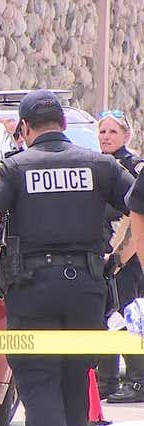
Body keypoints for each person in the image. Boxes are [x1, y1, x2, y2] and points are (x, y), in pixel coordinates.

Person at [0, 90, 135, 426]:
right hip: (87, 289)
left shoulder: (14, 167)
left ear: (25, 128)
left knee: (39, 381)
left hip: (32, 290)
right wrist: (121, 257)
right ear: (64, 125)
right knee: (76, 383)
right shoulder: (100, 165)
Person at [96, 110, 144, 403]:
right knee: (106, 317)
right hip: (103, 256)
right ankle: (108, 381)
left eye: (113, 132)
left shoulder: (134, 167)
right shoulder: (99, 165)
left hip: (127, 258)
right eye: (102, 132)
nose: (106, 137)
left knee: (128, 316)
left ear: (126, 136)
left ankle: (138, 380)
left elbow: (135, 215)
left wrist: (119, 258)